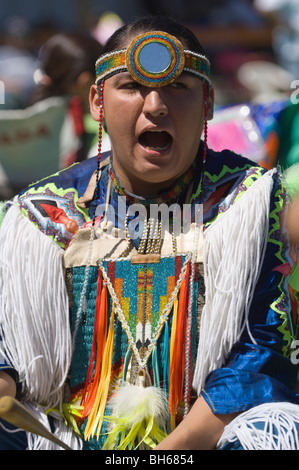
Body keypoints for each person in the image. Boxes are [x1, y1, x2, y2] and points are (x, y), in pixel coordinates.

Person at [0, 15, 299, 451]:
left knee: (276, 432)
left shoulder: (250, 200)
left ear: (209, 102)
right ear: (98, 102)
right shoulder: (41, 215)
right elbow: (10, 349)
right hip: (65, 440)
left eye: (178, 87)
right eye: (131, 87)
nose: (155, 106)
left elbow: (262, 355)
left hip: (204, 442)